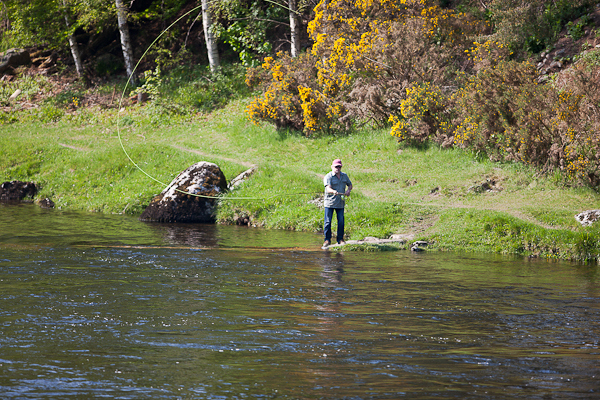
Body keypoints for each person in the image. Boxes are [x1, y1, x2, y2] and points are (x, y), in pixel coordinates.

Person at [322, 158, 352, 248]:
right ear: (332, 167)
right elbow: (328, 188)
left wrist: (348, 190)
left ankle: (340, 239)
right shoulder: (328, 176)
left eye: (339, 167)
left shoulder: (344, 176)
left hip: (340, 203)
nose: (338, 168)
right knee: (328, 222)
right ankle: (327, 240)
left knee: (341, 221)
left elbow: (350, 185)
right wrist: (333, 191)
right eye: (336, 166)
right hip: (329, 203)